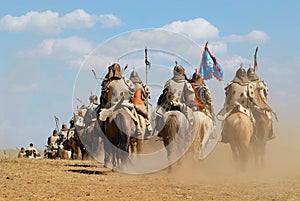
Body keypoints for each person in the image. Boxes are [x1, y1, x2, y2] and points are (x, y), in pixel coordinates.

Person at [218, 66, 254, 143]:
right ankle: (254, 135)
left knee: (224, 122)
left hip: (232, 108)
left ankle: (224, 136)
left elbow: (227, 98)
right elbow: (251, 98)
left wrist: (226, 105)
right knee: (253, 121)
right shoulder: (249, 85)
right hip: (245, 109)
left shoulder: (231, 85)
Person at [155, 63, 195, 128]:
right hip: (181, 106)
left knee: (157, 118)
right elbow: (191, 99)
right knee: (192, 121)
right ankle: (190, 133)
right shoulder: (186, 83)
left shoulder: (169, 82)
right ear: (182, 72)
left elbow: (163, 95)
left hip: (168, 107)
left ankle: (156, 131)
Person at [247, 67, 275, 140]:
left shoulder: (246, 84)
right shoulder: (261, 83)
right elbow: (266, 93)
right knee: (269, 117)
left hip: (250, 105)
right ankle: (270, 134)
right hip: (261, 104)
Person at [129, 69, 152, 137]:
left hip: (130, 104)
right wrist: (147, 91)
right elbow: (145, 96)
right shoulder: (140, 86)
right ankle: (148, 127)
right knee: (146, 115)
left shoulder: (129, 86)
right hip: (139, 105)